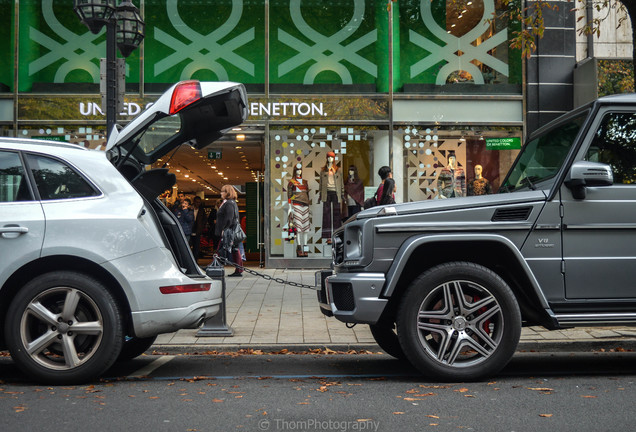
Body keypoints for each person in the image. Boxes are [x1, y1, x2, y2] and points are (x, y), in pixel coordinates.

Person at [215, 185, 243, 277]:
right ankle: (238, 269)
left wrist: (224, 229)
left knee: (222, 248)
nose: (221, 193)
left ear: (227, 193)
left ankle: (215, 266)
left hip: (228, 231)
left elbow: (229, 218)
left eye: (222, 191)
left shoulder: (229, 203)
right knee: (234, 249)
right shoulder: (230, 202)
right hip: (230, 230)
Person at [318, 151, 344, 243]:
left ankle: (336, 235)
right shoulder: (323, 170)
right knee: (326, 215)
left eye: (332, 157)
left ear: (334, 159)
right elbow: (321, 184)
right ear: (326, 158)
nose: (330, 159)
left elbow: (341, 183)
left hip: (336, 193)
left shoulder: (338, 169)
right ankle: (328, 236)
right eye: (328, 157)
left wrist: (342, 194)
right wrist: (320, 195)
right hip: (327, 193)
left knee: (336, 215)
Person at [287, 164, 310, 257]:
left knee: (306, 229)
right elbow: (289, 196)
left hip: (305, 205)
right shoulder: (291, 182)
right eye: (297, 170)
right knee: (299, 228)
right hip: (296, 205)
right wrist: (290, 208)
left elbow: (308, 195)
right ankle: (299, 247)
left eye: (300, 170)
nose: (299, 171)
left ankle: (305, 247)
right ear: (294, 171)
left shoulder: (305, 182)